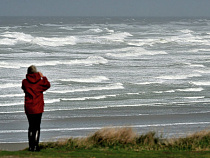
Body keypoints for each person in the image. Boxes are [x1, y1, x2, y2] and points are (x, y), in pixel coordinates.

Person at [22, 65, 50, 151]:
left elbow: (24, 89)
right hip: (38, 107)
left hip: (29, 107)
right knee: (37, 127)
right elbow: (48, 85)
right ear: (36, 72)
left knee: (31, 127)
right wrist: (43, 77)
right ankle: (36, 146)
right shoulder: (40, 82)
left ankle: (31, 146)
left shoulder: (25, 82)